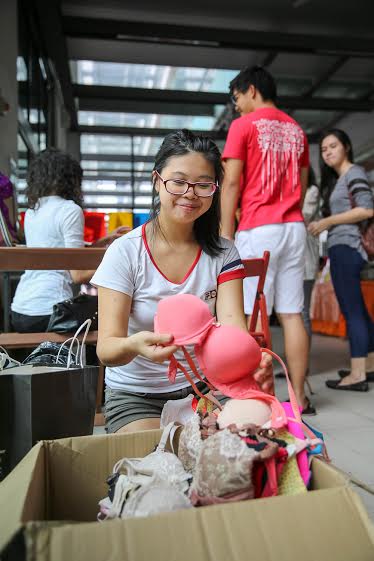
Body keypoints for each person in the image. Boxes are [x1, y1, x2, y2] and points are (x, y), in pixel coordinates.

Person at [91, 129, 273, 434]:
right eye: (178, 181)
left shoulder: (224, 252)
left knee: (257, 435)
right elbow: (107, 349)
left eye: (203, 185)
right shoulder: (125, 253)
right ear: (156, 181)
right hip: (138, 396)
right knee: (163, 454)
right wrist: (136, 345)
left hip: (208, 387)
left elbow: (232, 329)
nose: (190, 193)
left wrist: (252, 359)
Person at [220, 65, 313, 414]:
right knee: (292, 313)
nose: (237, 106)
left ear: (252, 90)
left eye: (238, 97)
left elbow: (231, 183)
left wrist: (226, 235)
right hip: (294, 226)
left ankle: (257, 397)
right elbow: (302, 184)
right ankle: (298, 398)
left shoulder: (243, 126)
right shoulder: (297, 129)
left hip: (260, 227)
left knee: (251, 312)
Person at [11, 148, 126, 333]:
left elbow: (56, 248)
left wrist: (106, 239)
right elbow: (77, 275)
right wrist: (119, 266)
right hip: (51, 311)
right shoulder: (69, 210)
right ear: (70, 179)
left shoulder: (33, 211)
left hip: (20, 310)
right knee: (116, 311)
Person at [308, 129, 374, 391]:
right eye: (324, 149)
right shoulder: (341, 178)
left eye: (333, 146)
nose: (328, 152)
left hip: (347, 247)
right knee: (359, 310)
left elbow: (367, 208)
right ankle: (367, 365)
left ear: (346, 146)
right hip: (343, 247)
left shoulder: (353, 173)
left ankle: (357, 374)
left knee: (352, 311)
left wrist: (326, 222)